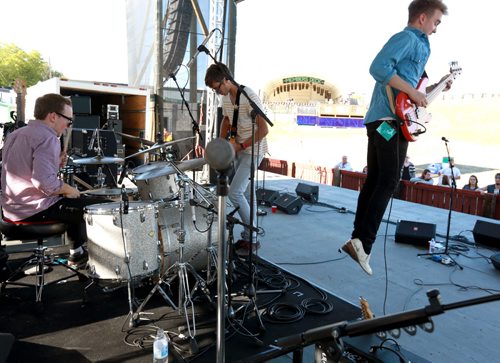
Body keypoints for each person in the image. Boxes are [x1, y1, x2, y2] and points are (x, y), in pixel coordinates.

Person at [341, 0, 451, 275]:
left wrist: (437, 87)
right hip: (388, 121)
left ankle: (357, 239)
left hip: (383, 121)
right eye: (436, 22)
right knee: (389, 180)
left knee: (377, 179)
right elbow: (379, 68)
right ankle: (364, 243)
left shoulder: (418, 45)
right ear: (423, 18)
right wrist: (413, 93)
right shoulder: (407, 38)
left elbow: (414, 91)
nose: (436, 29)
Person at [1, 93, 106, 268]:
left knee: (74, 201)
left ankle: (77, 253)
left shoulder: (17, 134)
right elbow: (44, 183)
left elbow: (22, 169)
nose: (68, 125)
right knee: (101, 207)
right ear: (53, 116)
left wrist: (55, 162)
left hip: (10, 210)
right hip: (32, 210)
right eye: (68, 120)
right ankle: (105, 262)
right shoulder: (48, 138)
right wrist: (67, 188)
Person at [204, 63, 269, 255]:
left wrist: (241, 146)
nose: (217, 92)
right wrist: (222, 141)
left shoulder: (249, 97)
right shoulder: (226, 98)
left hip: (254, 150)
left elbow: (264, 130)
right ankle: (250, 239)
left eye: (218, 87)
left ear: (226, 79)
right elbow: (226, 119)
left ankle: (254, 235)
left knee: (234, 193)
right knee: (248, 194)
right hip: (239, 149)